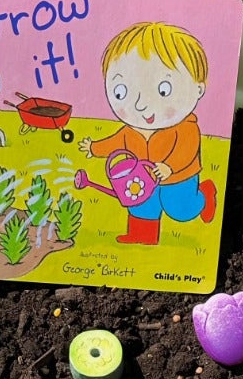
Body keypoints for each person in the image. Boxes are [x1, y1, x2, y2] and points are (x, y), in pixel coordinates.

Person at [79, 22, 218, 245]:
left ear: (198, 89)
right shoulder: (130, 131)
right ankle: (142, 234)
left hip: (178, 177)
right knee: (141, 202)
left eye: (164, 90)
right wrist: (93, 148)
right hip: (142, 176)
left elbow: (187, 150)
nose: (141, 105)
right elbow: (115, 143)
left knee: (180, 210)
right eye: (121, 91)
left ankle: (204, 196)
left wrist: (169, 167)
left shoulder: (186, 128)